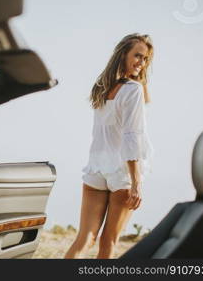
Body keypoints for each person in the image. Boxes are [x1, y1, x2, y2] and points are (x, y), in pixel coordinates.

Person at [64, 33, 155, 259]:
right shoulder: (132, 90)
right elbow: (130, 137)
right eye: (137, 56)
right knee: (109, 243)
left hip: (96, 168)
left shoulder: (101, 88)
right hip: (122, 172)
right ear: (123, 54)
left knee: (84, 239)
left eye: (145, 59)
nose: (141, 63)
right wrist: (136, 183)